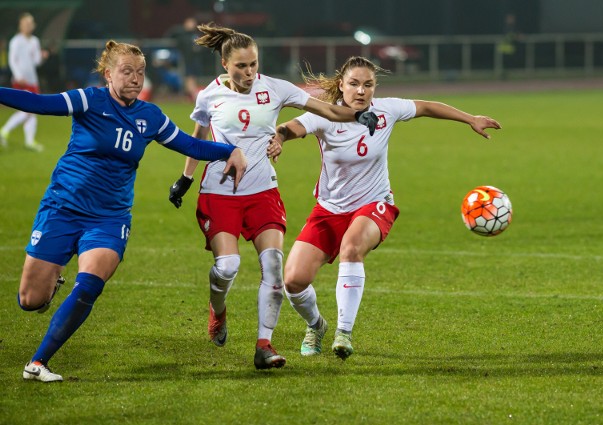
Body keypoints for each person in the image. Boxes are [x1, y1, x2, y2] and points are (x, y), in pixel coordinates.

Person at [2, 40, 247, 382]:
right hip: (62, 207)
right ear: (108, 74)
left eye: (141, 73)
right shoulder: (90, 99)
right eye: (127, 71)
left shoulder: (150, 116)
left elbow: (189, 144)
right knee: (29, 300)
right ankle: (51, 283)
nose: (135, 79)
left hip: (109, 217)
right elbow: (39, 103)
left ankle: (38, 362)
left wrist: (229, 150)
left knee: (90, 283)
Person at [167, 24, 378, 370]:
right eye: (241, 66)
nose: (249, 72)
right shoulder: (209, 95)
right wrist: (185, 178)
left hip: (263, 192)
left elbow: (324, 109)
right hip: (220, 193)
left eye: (253, 64)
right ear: (224, 64)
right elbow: (198, 137)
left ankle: (264, 344)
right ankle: (217, 310)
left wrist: (357, 115)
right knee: (227, 268)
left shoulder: (275, 88)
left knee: (274, 268)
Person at [272, 56, 501, 360]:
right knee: (293, 281)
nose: (361, 91)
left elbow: (427, 107)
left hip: (374, 205)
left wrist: (470, 118)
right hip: (329, 209)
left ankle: (344, 332)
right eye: (354, 83)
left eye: (368, 84)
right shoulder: (325, 114)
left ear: (374, 87)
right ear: (341, 85)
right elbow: (291, 127)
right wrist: (280, 137)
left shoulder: (386, 110)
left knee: (351, 248)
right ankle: (316, 325)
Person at [0, 13, 48, 152]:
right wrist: (18, 75)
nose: (28, 25)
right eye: (26, 23)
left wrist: (42, 56)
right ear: (21, 25)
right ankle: (4, 131)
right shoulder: (16, 41)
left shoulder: (35, 41)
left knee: (32, 111)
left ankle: (29, 141)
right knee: (29, 109)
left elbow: (36, 62)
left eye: (30, 23)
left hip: (33, 79)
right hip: (21, 80)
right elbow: (12, 60)